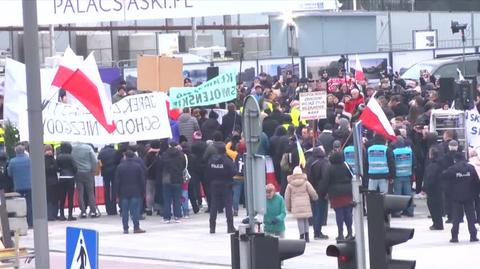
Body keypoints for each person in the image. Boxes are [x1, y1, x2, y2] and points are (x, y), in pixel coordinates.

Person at [441, 154, 480, 243]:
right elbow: (476, 182)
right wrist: (476, 194)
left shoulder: (453, 169)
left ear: (455, 160)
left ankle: (455, 237)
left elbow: (443, 176)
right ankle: (473, 236)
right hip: (469, 196)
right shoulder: (471, 168)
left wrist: (448, 191)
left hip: (456, 197)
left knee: (456, 217)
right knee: (471, 217)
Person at [205, 147, 236, 234]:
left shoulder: (211, 160)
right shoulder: (227, 161)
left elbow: (207, 172)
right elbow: (234, 171)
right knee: (228, 206)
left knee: (213, 206)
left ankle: (212, 227)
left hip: (214, 185)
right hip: (226, 185)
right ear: (225, 152)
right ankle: (230, 227)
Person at [115, 150, 146, 234]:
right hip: (136, 191)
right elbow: (142, 180)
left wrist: (117, 194)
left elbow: (117, 181)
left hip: (123, 192)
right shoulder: (138, 166)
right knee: (135, 210)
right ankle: (136, 227)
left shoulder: (120, 167)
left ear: (125, 156)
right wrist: (143, 191)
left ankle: (125, 228)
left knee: (124, 211)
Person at [285, 166, 318, 243]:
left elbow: (287, 197)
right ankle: (307, 236)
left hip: (296, 205)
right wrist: (315, 198)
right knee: (306, 220)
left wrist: (288, 207)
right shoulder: (306, 182)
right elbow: (312, 192)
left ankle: (301, 236)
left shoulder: (290, 185)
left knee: (300, 221)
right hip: (306, 204)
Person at [326, 151, 354, 240]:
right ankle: (350, 232)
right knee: (348, 213)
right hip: (347, 192)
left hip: (335, 194)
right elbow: (352, 176)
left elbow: (327, 181)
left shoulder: (330, 168)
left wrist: (326, 192)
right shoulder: (346, 166)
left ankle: (340, 234)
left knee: (339, 214)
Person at [156, 142, 185, 223]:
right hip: (177, 178)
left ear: (169, 146)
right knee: (177, 199)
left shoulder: (164, 155)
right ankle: (177, 216)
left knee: (167, 199)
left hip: (166, 178)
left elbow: (160, 166)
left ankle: (167, 217)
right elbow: (183, 166)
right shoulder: (181, 155)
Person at [7, 145, 33, 228]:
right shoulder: (29, 160)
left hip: (18, 186)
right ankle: (30, 223)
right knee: (29, 204)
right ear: (24, 151)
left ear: (16, 152)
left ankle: (21, 224)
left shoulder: (12, 161)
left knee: (19, 205)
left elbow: (9, 174)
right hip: (29, 185)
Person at [71, 142, 98, 218]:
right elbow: (95, 161)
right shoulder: (88, 148)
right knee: (90, 192)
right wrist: (93, 169)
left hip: (78, 173)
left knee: (80, 193)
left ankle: (83, 211)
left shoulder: (73, 148)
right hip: (88, 172)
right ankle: (93, 211)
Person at [308, 147, 330, 240]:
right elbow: (326, 177)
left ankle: (316, 231)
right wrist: (327, 191)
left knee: (316, 211)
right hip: (322, 190)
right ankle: (318, 232)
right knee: (320, 212)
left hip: (315, 189)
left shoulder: (312, 164)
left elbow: (310, 178)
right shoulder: (324, 163)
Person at [391, 136, 414, 217]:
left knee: (398, 195)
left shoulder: (394, 152)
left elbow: (392, 164)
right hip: (407, 174)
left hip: (398, 176)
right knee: (408, 194)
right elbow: (413, 162)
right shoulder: (409, 151)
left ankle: (397, 212)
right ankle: (410, 211)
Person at [423, 146, 445, 230]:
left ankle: (437, 224)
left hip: (433, 189)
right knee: (438, 206)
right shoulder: (441, 163)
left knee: (433, 206)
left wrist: (425, 188)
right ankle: (438, 223)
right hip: (440, 187)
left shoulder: (432, 166)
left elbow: (430, 178)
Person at [56, 142, 77, 221]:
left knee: (62, 197)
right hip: (70, 177)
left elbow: (56, 167)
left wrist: (61, 170)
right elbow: (75, 167)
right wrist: (73, 172)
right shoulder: (70, 157)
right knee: (70, 197)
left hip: (62, 177)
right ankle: (70, 215)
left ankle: (62, 215)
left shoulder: (59, 157)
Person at [98, 144, 118, 215]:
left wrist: (101, 169)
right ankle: (114, 209)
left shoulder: (101, 152)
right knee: (114, 190)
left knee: (106, 190)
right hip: (114, 172)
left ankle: (108, 209)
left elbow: (99, 163)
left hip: (105, 173)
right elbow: (117, 162)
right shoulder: (115, 152)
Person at [44, 145, 59, 221]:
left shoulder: (43, 159)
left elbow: (45, 169)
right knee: (55, 199)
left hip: (46, 182)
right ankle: (54, 214)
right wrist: (53, 167)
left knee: (49, 199)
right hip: (54, 181)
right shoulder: (53, 159)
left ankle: (50, 215)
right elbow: (56, 168)